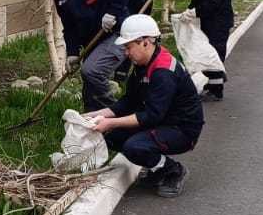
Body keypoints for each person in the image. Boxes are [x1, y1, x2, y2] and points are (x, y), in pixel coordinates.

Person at [83, 14, 204, 198]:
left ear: (145, 42)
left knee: (135, 147)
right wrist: (98, 114)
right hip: (164, 121)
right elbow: (129, 101)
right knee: (111, 136)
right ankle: (157, 167)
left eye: (128, 47)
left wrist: (110, 123)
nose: (126, 53)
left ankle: (172, 170)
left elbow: (151, 115)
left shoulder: (163, 72)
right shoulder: (143, 64)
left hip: (182, 129)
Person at [33, 0, 133, 112]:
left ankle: (116, 115)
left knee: (92, 71)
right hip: (93, 44)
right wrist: (72, 53)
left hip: (117, 34)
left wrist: (112, 13)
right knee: (90, 90)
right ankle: (92, 120)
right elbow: (70, 28)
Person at [184, 0, 233, 100]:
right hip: (208, 20)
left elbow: (214, 1)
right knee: (207, 52)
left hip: (220, 20)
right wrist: (189, 9)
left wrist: (195, 12)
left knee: (215, 53)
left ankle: (216, 90)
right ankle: (212, 84)